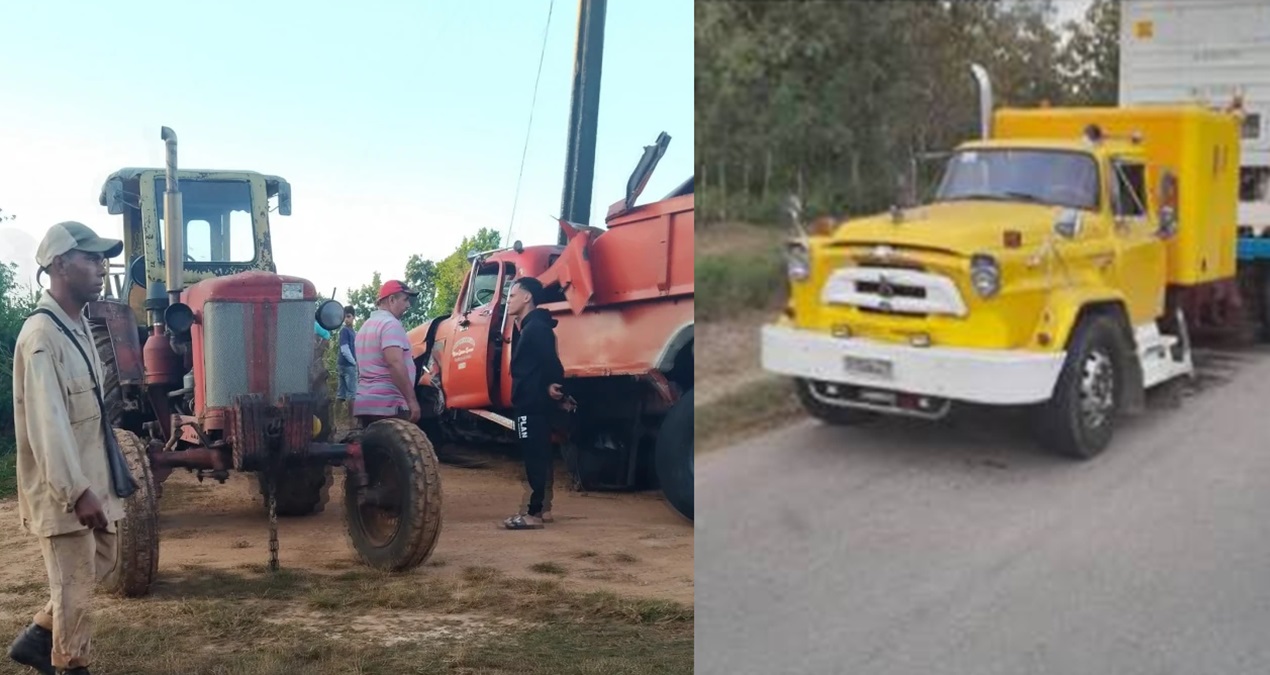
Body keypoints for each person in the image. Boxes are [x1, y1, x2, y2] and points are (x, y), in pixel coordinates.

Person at [8, 221, 131, 675]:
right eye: (91, 258)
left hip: (90, 480)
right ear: (60, 265)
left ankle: (37, 638)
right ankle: (69, 664)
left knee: (103, 559)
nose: (102, 267)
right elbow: (48, 425)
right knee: (75, 589)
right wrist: (76, 491)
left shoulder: (76, 328)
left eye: (103, 259)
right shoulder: (42, 338)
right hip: (65, 489)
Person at [502, 277, 574, 530]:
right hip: (534, 400)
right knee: (540, 455)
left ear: (527, 297)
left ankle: (533, 514)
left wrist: (555, 385)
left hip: (530, 405)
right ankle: (543, 510)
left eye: (512, 295)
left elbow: (551, 363)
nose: (507, 300)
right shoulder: (532, 327)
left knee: (535, 457)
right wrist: (550, 385)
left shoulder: (536, 329)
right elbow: (542, 364)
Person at [353, 280, 420, 427]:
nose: (408, 305)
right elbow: (394, 363)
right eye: (405, 299)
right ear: (391, 299)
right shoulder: (390, 325)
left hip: (366, 404)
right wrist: (412, 401)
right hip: (389, 406)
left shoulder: (365, 327)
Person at [337, 307, 358, 422]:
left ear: (354, 317)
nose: (346, 319)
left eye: (348, 316)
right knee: (352, 394)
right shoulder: (345, 331)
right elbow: (344, 349)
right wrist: (354, 362)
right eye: (345, 317)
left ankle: (335, 420)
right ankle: (351, 421)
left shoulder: (352, 332)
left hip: (342, 364)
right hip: (348, 365)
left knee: (341, 394)